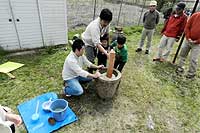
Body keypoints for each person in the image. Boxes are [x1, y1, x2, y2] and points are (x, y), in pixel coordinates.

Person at [82, 8, 112, 73]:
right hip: (88, 42)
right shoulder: (94, 27)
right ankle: (90, 72)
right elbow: (97, 44)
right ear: (100, 18)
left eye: (108, 22)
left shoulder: (107, 23)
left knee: (95, 55)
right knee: (91, 58)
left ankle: (94, 67)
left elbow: (107, 34)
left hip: (96, 41)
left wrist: (108, 47)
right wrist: (107, 54)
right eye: (105, 22)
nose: (106, 24)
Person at [176, 12, 200, 79]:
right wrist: (188, 37)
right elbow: (187, 26)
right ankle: (180, 68)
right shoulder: (195, 15)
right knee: (182, 55)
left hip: (197, 44)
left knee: (193, 59)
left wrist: (197, 41)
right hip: (188, 40)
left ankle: (191, 74)